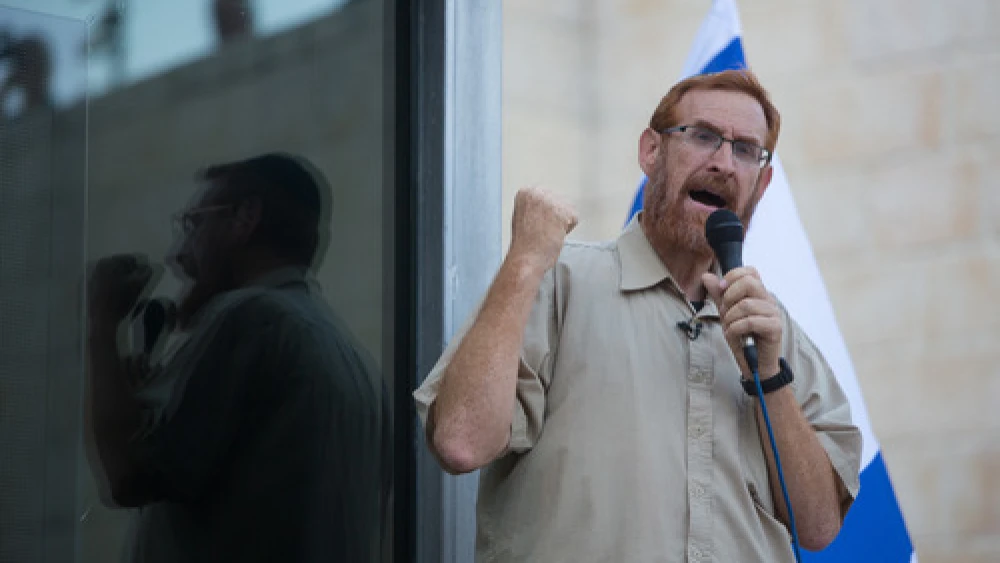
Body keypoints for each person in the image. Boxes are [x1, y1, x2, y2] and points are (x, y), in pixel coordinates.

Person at [414, 70, 862, 562]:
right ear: (651, 151)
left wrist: (770, 377)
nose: (723, 163)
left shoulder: (773, 331)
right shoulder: (558, 281)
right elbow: (460, 440)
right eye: (704, 136)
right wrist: (523, 261)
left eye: (745, 150)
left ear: (762, 183)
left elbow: (818, 527)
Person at [85, 152, 390, 562]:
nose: (177, 254)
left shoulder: (251, 319)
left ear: (246, 218)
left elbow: (128, 477)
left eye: (194, 224)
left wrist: (102, 322)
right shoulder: (353, 361)